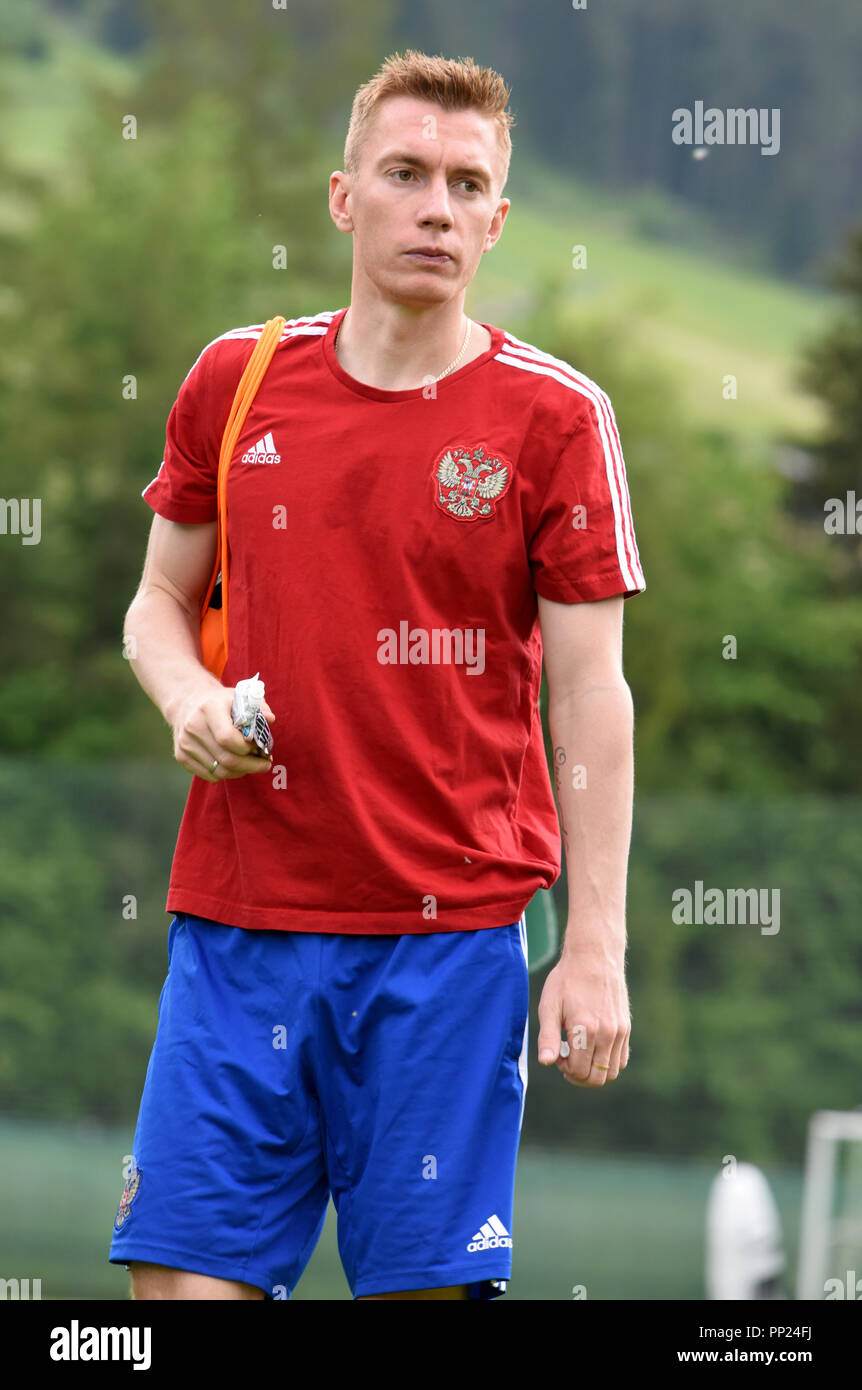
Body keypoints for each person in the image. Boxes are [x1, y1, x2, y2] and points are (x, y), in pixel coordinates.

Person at [109, 49, 645, 1302]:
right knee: (175, 1296)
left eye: (466, 184)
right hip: (238, 933)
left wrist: (595, 945)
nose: (435, 207)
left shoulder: (555, 421)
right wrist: (191, 701)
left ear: (497, 219)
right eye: (405, 173)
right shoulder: (232, 382)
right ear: (344, 196)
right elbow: (156, 606)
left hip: (448, 948)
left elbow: (589, 698)